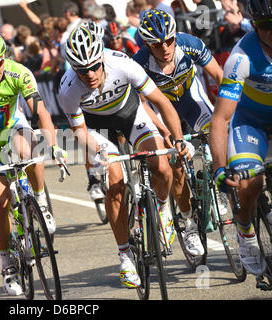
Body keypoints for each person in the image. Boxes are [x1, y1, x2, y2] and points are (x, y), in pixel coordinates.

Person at [58, 21, 187, 288]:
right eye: (82, 70)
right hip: (98, 128)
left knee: (161, 166)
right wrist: (99, 155)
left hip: (131, 114)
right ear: (73, 68)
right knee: (115, 185)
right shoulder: (68, 89)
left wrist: (176, 138)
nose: (90, 74)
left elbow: (161, 102)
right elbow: (80, 132)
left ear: (102, 59)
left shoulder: (122, 63)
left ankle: (162, 210)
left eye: (94, 66)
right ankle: (125, 256)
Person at [0, 27, 67, 296]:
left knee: (30, 148)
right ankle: (7, 263)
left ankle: (40, 201)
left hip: (11, 127)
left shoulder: (19, 72)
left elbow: (41, 112)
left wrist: (53, 145)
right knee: (0, 199)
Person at [133, 9, 224, 256]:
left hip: (191, 100)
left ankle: (220, 183)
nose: (164, 48)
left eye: (169, 40)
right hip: (161, 111)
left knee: (218, 134)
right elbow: (142, 104)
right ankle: (189, 223)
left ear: (175, 36)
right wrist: (165, 132)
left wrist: (229, 112)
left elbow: (218, 76)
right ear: (147, 44)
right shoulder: (139, 62)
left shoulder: (190, 44)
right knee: (176, 163)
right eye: (156, 44)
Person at [209, 0, 272, 275]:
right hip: (250, 122)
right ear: (253, 24)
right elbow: (221, 119)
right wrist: (218, 168)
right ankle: (246, 233)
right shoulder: (241, 57)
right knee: (249, 181)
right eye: (265, 25)